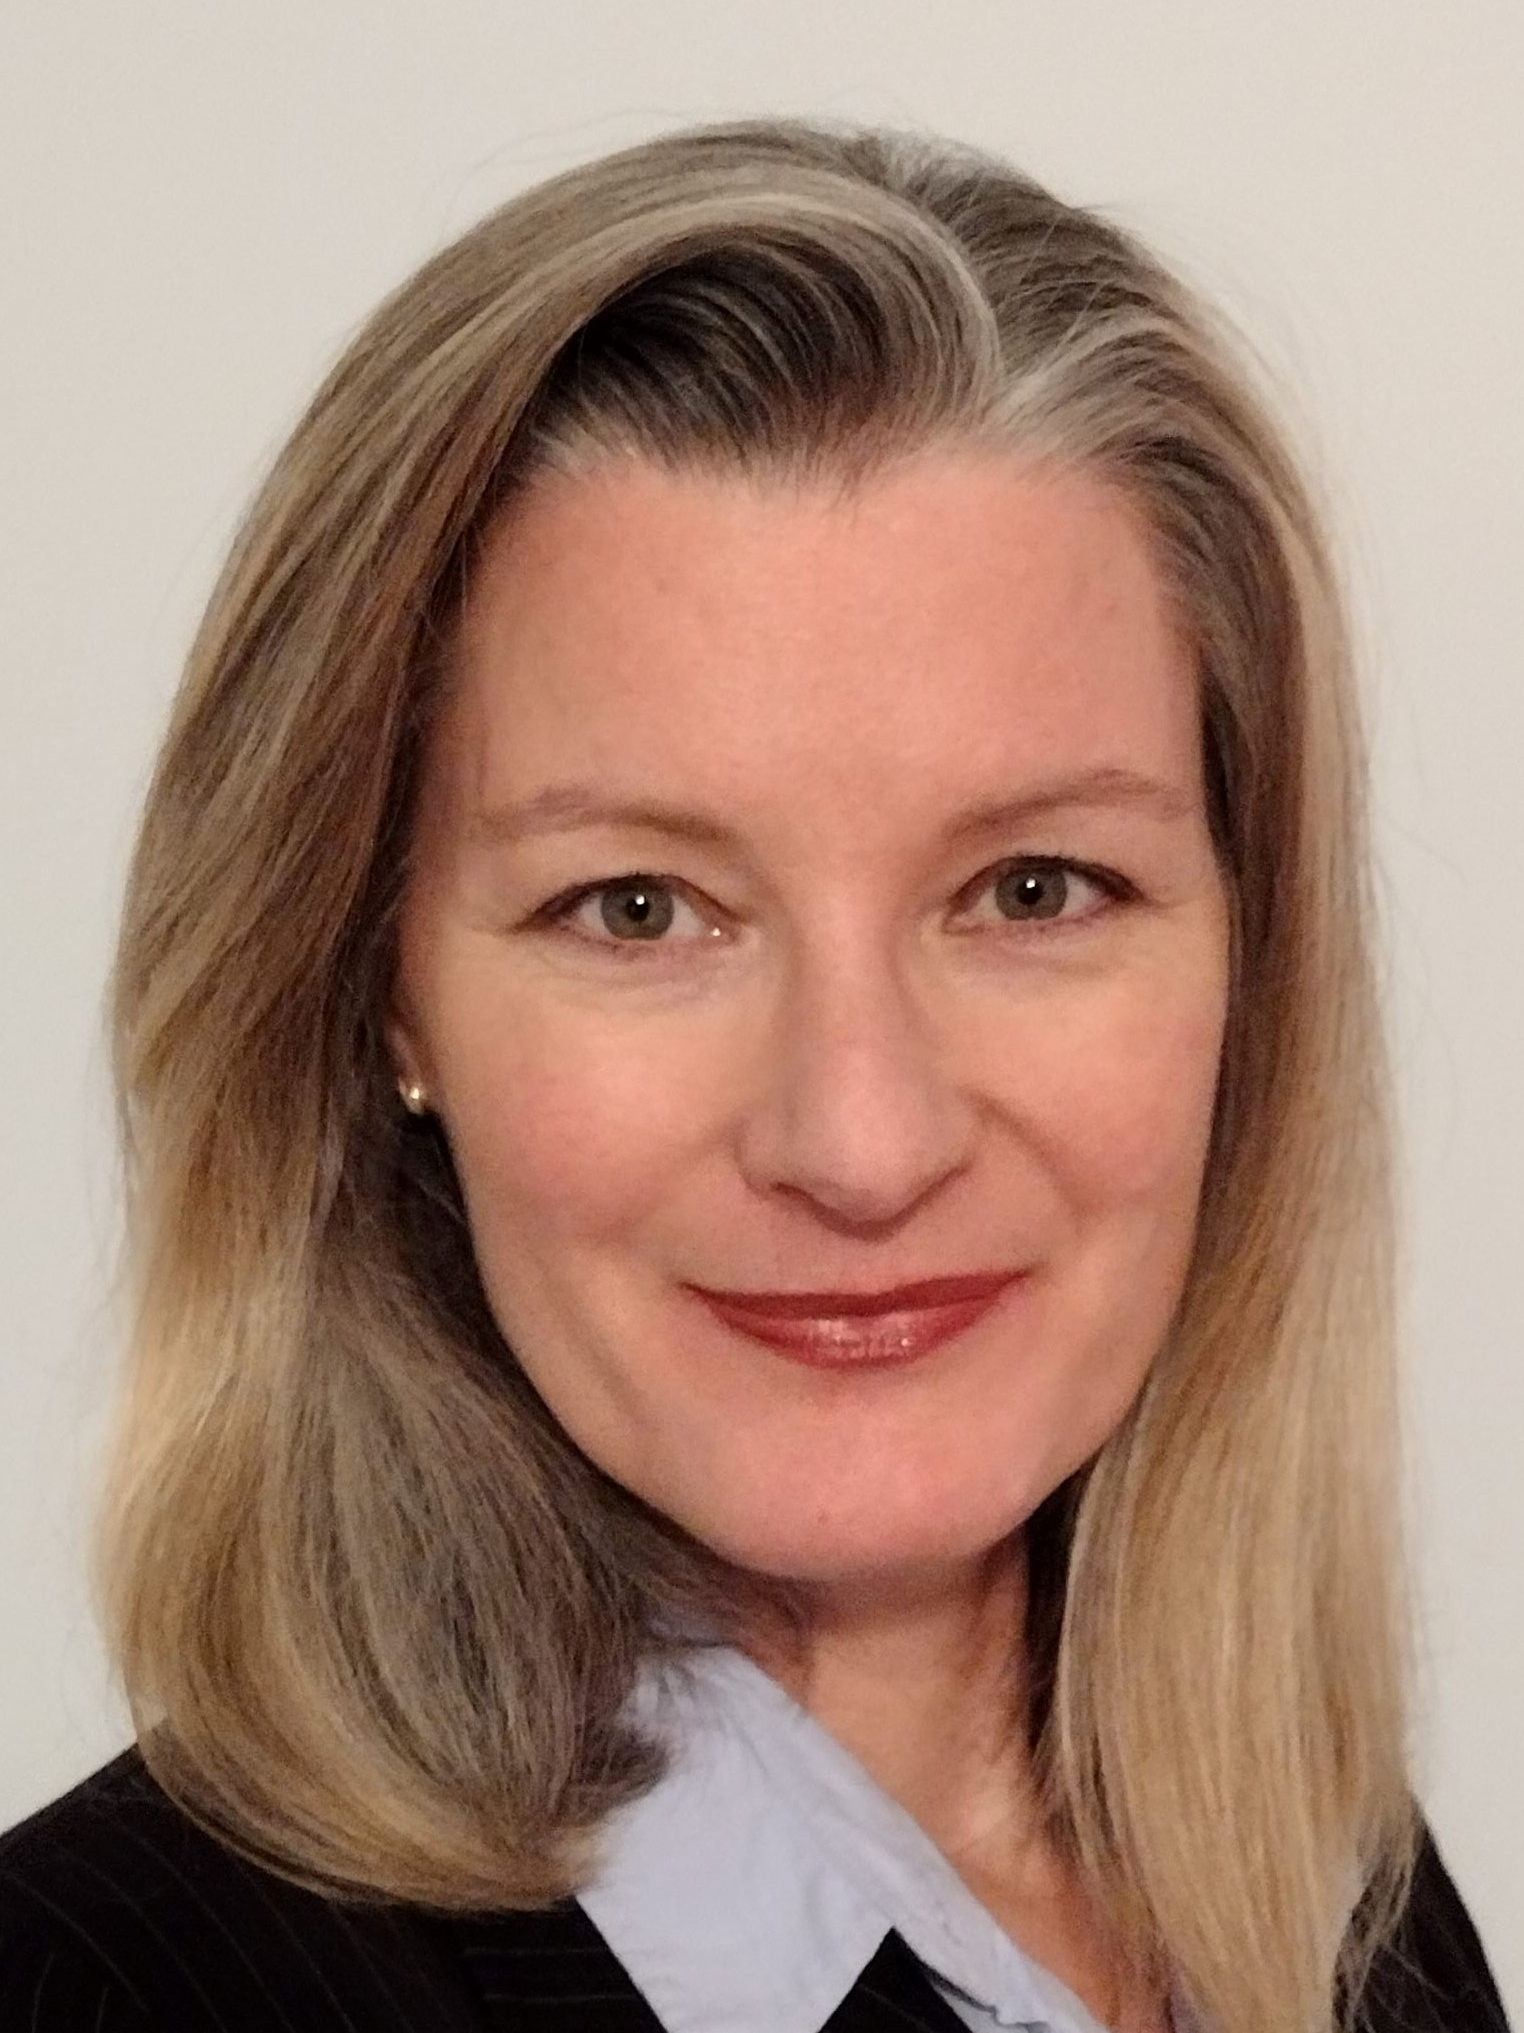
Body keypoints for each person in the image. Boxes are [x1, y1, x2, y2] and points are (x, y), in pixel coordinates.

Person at [0, 115, 1509, 2033]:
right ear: (378, 989)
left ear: (1246, 958)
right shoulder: (93, 1993)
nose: (860, 1139)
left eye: (1033, 888)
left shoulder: (1342, 1909)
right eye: (639, 909)